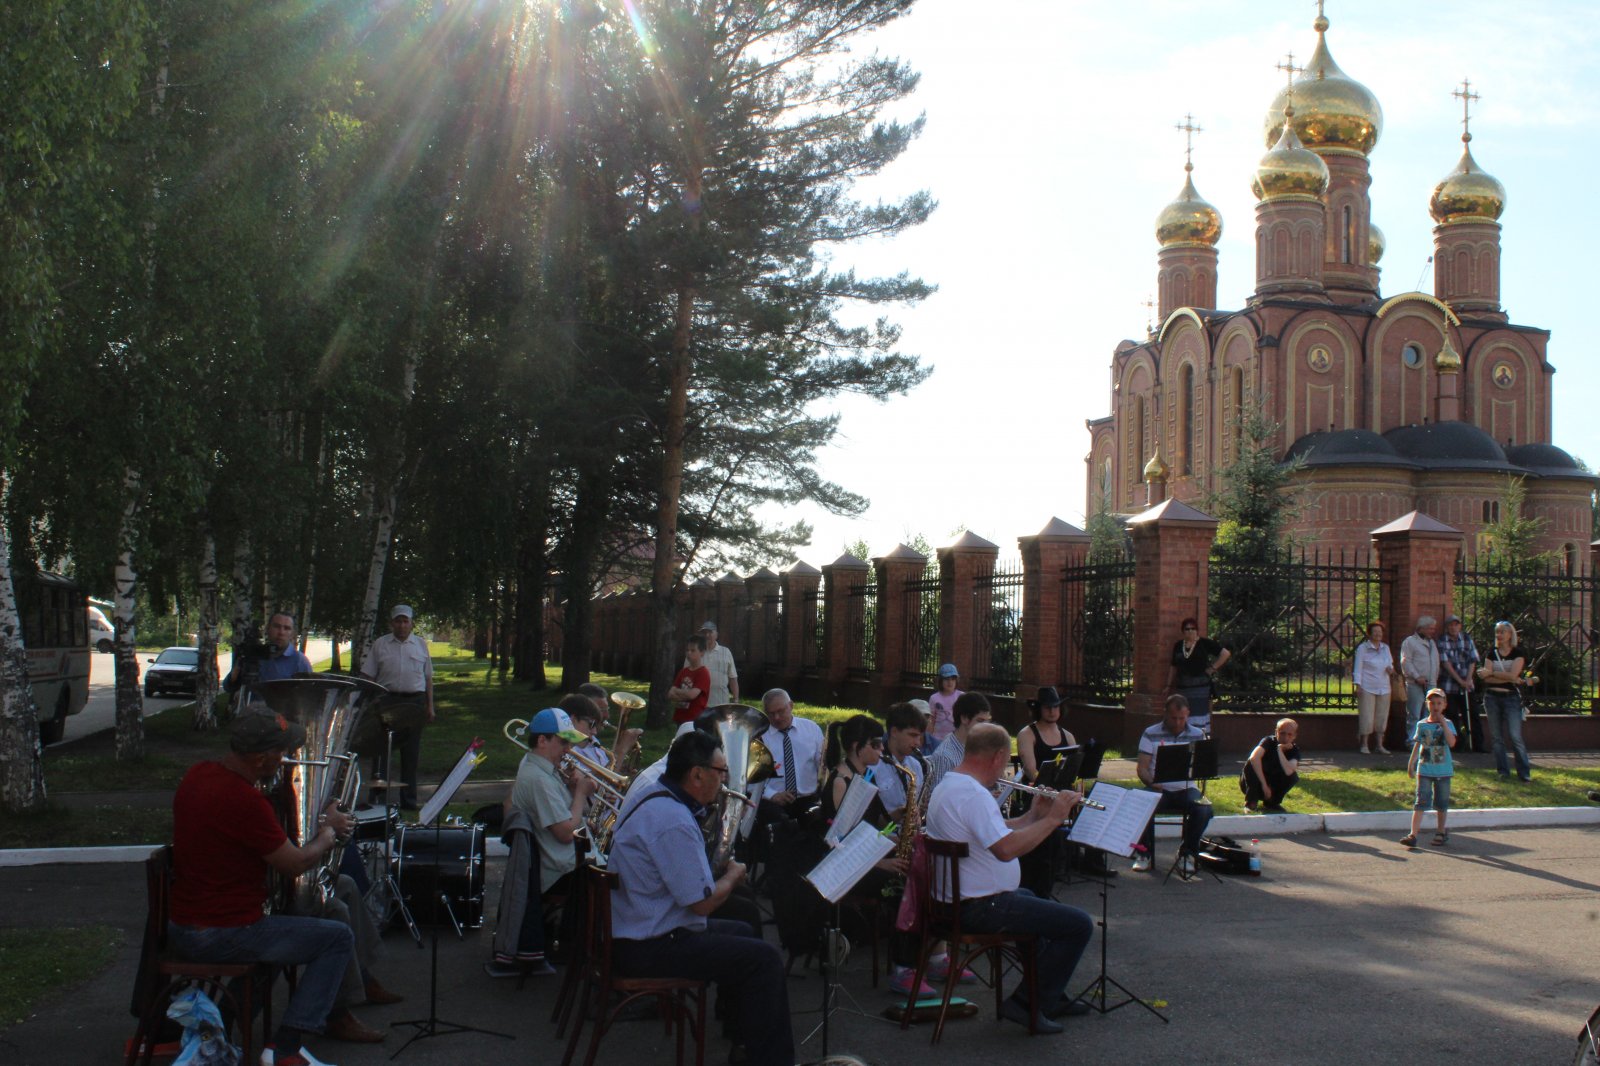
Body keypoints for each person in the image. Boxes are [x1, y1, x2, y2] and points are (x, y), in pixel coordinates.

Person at [168, 712, 355, 1066]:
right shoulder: (244, 801)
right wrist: (328, 834)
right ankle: (285, 1046)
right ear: (259, 758)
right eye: (281, 752)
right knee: (337, 937)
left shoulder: (199, 774)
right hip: (221, 932)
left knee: (281, 940)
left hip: (189, 922)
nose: (285, 759)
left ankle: (219, 1027)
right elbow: (295, 863)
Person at [608, 730, 796, 1066]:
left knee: (743, 930)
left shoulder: (655, 796)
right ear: (697, 773)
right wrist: (734, 875)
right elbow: (702, 903)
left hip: (641, 930)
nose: (725, 780)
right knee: (765, 959)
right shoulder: (673, 820)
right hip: (650, 945)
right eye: (721, 771)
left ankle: (745, 1042)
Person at [925, 722, 1095, 1034]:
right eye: (1005, 763)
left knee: (1032, 900)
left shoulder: (950, 786)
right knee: (1078, 924)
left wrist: (1034, 817)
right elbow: (1005, 850)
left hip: (961, 903)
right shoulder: (973, 795)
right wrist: (1055, 818)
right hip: (978, 908)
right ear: (998, 756)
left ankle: (1046, 995)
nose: (1005, 771)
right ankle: (1026, 1004)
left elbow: (997, 833)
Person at [488, 707, 596, 978]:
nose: (568, 749)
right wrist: (581, 793)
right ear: (542, 741)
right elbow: (565, 832)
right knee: (621, 874)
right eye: (563, 742)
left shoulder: (538, 767)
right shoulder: (539, 778)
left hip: (562, 858)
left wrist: (572, 792)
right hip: (563, 866)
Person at [359, 604, 434, 809]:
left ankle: (408, 801)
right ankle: (378, 799)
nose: (402, 625)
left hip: (414, 703)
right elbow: (368, 675)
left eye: (405, 621)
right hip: (387, 701)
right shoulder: (380, 645)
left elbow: (428, 678)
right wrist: (367, 702)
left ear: (411, 624)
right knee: (381, 750)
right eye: (398, 621)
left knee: (411, 752)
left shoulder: (420, 645)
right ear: (392, 623)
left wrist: (430, 706)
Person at [1133, 693, 1213, 875]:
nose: (1178, 723)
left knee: (1204, 809)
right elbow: (1142, 768)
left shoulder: (1198, 734)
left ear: (1188, 715)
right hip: (1159, 788)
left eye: (1182, 718)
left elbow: (1204, 766)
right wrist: (1151, 782)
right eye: (1173, 718)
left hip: (1186, 789)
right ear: (1165, 714)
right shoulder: (1150, 733)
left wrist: (1203, 769)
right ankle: (1144, 853)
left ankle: (1187, 853)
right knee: (1140, 803)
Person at [753, 687, 824, 817]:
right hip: (772, 801)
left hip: (808, 798)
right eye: (770, 713)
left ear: (791, 706)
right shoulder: (760, 736)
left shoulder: (811, 729)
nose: (777, 718)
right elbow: (750, 778)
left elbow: (822, 764)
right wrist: (772, 795)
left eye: (781, 711)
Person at [1401, 688, 1457, 847]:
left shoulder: (1449, 724)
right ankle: (1413, 834)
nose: (1435, 706)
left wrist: (1444, 724)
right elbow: (1418, 744)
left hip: (1443, 771)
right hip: (1424, 769)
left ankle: (1440, 831)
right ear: (1427, 705)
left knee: (1442, 803)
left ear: (1444, 705)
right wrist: (1411, 763)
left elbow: (1452, 743)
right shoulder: (1422, 724)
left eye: (1439, 703)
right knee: (1420, 801)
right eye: (1432, 703)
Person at [1477, 620, 1532, 781]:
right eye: (1497, 632)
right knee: (1496, 738)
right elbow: (1486, 679)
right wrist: (1505, 677)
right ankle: (1503, 771)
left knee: (1515, 736)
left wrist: (1493, 673)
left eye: (1502, 632)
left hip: (1511, 699)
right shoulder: (1491, 653)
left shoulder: (1518, 653)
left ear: (1510, 634)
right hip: (1492, 697)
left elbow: (1513, 676)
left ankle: (1524, 773)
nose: (1499, 635)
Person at [224, 611, 313, 705]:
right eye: (277, 626)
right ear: (268, 629)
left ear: (292, 634)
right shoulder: (255, 654)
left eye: (287, 628)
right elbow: (227, 687)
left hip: (283, 717)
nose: (281, 632)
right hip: (250, 716)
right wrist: (234, 675)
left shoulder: (300, 661)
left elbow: (309, 696)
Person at [1165, 617, 1230, 733]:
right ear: (1183, 631)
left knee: (1199, 716)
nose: (1190, 631)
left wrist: (1212, 668)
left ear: (1197, 630)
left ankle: (1200, 740)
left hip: (1200, 688)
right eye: (1187, 629)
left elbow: (1225, 653)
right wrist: (1168, 685)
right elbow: (1173, 666)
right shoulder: (1178, 646)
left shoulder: (1204, 643)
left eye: (1193, 629)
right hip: (1183, 687)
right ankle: (1183, 739)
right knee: (1182, 712)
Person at [924, 691, 993, 797]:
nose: (986, 727)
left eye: (987, 721)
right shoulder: (945, 757)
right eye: (980, 721)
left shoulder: (978, 748)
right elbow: (939, 801)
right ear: (964, 718)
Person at [874, 702, 928, 820]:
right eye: (913, 735)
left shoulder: (916, 765)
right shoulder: (874, 765)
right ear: (894, 732)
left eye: (919, 736)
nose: (918, 743)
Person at [1352, 621, 1399, 755]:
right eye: (1375, 632)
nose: (1378, 634)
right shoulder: (1363, 648)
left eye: (1380, 631)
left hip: (1384, 687)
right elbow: (1358, 667)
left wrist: (1392, 671)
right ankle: (1364, 744)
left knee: (1382, 716)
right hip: (1367, 686)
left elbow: (1389, 664)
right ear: (1369, 633)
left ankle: (1379, 745)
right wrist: (1358, 685)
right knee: (1367, 715)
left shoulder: (1385, 648)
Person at [1436, 614, 1480, 753]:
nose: (1453, 627)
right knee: (1452, 715)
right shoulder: (1442, 640)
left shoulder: (1467, 638)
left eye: (1456, 624)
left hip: (1467, 685)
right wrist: (1459, 680)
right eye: (1450, 625)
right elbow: (1445, 663)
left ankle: (1477, 744)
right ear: (1447, 627)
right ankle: (1457, 745)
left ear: (1460, 626)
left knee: (1472, 714)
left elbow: (1473, 659)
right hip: (1449, 684)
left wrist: (1467, 680)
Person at [1242, 718, 1301, 813]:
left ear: (1294, 736)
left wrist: (1280, 750)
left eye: (1289, 734)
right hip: (1255, 783)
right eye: (1282, 733)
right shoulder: (1268, 741)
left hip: (1273, 784)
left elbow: (1289, 771)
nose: (1285, 737)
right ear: (1276, 732)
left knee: (1293, 776)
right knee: (1251, 764)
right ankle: (1251, 802)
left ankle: (1271, 803)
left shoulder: (1294, 750)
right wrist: (1264, 785)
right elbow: (1254, 758)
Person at [1400, 615, 1441, 741]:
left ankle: (1425, 740)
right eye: (1430, 629)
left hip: (1431, 683)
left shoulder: (1432, 643)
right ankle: (1412, 741)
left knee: (1429, 713)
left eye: (1433, 629)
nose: (1432, 631)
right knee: (1414, 713)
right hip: (1415, 683)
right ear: (1421, 628)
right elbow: (1406, 661)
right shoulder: (1410, 642)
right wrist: (1417, 676)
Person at [693, 621, 740, 706]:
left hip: (721, 703)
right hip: (698, 704)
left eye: (710, 632)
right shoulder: (694, 652)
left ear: (716, 635)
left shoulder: (726, 652)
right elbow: (686, 677)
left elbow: (732, 678)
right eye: (704, 633)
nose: (707, 635)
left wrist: (736, 699)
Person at [668, 635, 712, 724]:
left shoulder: (703, 672)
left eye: (693, 650)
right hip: (680, 717)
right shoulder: (683, 672)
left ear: (702, 652)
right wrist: (683, 694)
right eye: (687, 650)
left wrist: (678, 691)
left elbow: (692, 695)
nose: (689, 653)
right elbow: (670, 694)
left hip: (694, 719)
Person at [925, 663, 963, 753]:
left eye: (953, 679)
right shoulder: (934, 698)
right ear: (940, 681)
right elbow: (931, 719)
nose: (950, 682)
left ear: (956, 680)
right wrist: (928, 737)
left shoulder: (961, 696)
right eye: (946, 679)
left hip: (956, 738)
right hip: (938, 738)